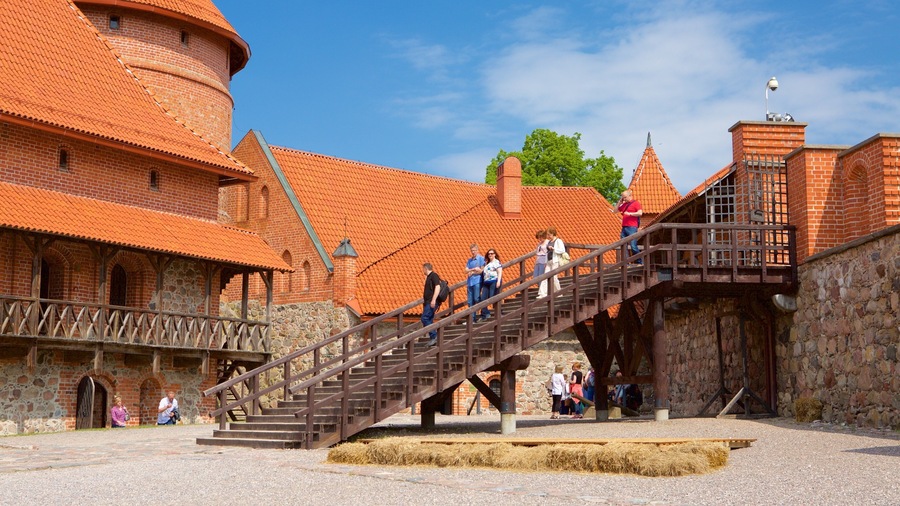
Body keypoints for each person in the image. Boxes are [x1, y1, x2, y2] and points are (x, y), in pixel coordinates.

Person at [616, 190, 643, 263]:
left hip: (632, 227)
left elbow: (640, 213)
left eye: (625, 197)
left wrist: (630, 214)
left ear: (630, 196)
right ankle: (626, 262)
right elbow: (615, 211)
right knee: (623, 245)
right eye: (623, 198)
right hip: (624, 227)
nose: (624, 199)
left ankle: (639, 262)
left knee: (633, 245)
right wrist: (619, 202)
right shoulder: (624, 204)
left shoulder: (636, 203)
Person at [537, 227, 564, 299]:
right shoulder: (549, 242)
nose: (548, 236)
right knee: (545, 276)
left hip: (555, 261)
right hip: (549, 261)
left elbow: (562, 250)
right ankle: (542, 293)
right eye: (548, 235)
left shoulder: (558, 241)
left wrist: (554, 249)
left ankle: (558, 292)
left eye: (549, 235)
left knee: (554, 277)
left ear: (553, 234)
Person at [421, 263, 443, 346]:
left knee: (425, 318)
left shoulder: (434, 276)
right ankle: (433, 338)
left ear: (426, 268)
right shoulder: (429, 277)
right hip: (428, 302)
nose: (422, 271)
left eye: (423, 269)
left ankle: (434, 336)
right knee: (429, 319)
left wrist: (433, 300)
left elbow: (437, 287)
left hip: (431, 302)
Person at [479, 249, 502, 320]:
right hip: (486, 283)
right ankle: (486, 313)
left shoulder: (496, 262)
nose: (490, 255)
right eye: (489, 254)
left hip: (493, 281)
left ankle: (499, 312)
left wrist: (498, 281)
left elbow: (500, 272)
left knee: (493, 297)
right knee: (483, 299)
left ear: (495, 254)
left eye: (492, 253)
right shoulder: (487, 264)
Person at [464, 243, 485, 321]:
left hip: (477, 281)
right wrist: (473, 270)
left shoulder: (481, 259)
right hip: (470, 282)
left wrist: (471, 271)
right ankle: (472, 319)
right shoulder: (469, 260)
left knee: (477, 298)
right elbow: (465, 270)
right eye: (472, 251)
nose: (473, 252)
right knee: (470, 301)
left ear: (477, 250)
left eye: (474, 250)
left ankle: (483, 313)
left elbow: (481, 270)